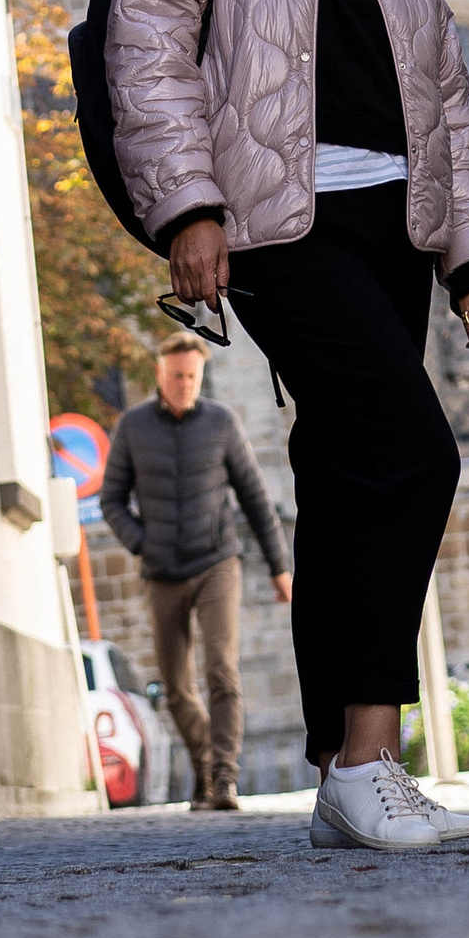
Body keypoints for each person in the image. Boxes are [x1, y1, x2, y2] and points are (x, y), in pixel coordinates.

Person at [105, 0, 469, 857]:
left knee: (344, 481)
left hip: (391, 230)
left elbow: (447, 109)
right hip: (280, 232)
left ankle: (345, 773)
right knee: (411, 451)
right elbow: (147, 57)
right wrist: (188, 206)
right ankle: (373, 753)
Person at [98, 331, 292, 814]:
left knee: (221, 669)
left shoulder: (221, 422)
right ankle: (206, 765)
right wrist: (144, 543)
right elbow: (111, 500)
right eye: (176, 376)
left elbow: (254, 498)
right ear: (160, 375)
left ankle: (223, 779)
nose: (184, 384)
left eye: (192, 376)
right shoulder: (133, 426)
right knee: (176, 684)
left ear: (200, 376)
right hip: (162, 571)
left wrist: (279, 566)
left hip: (216, 564)